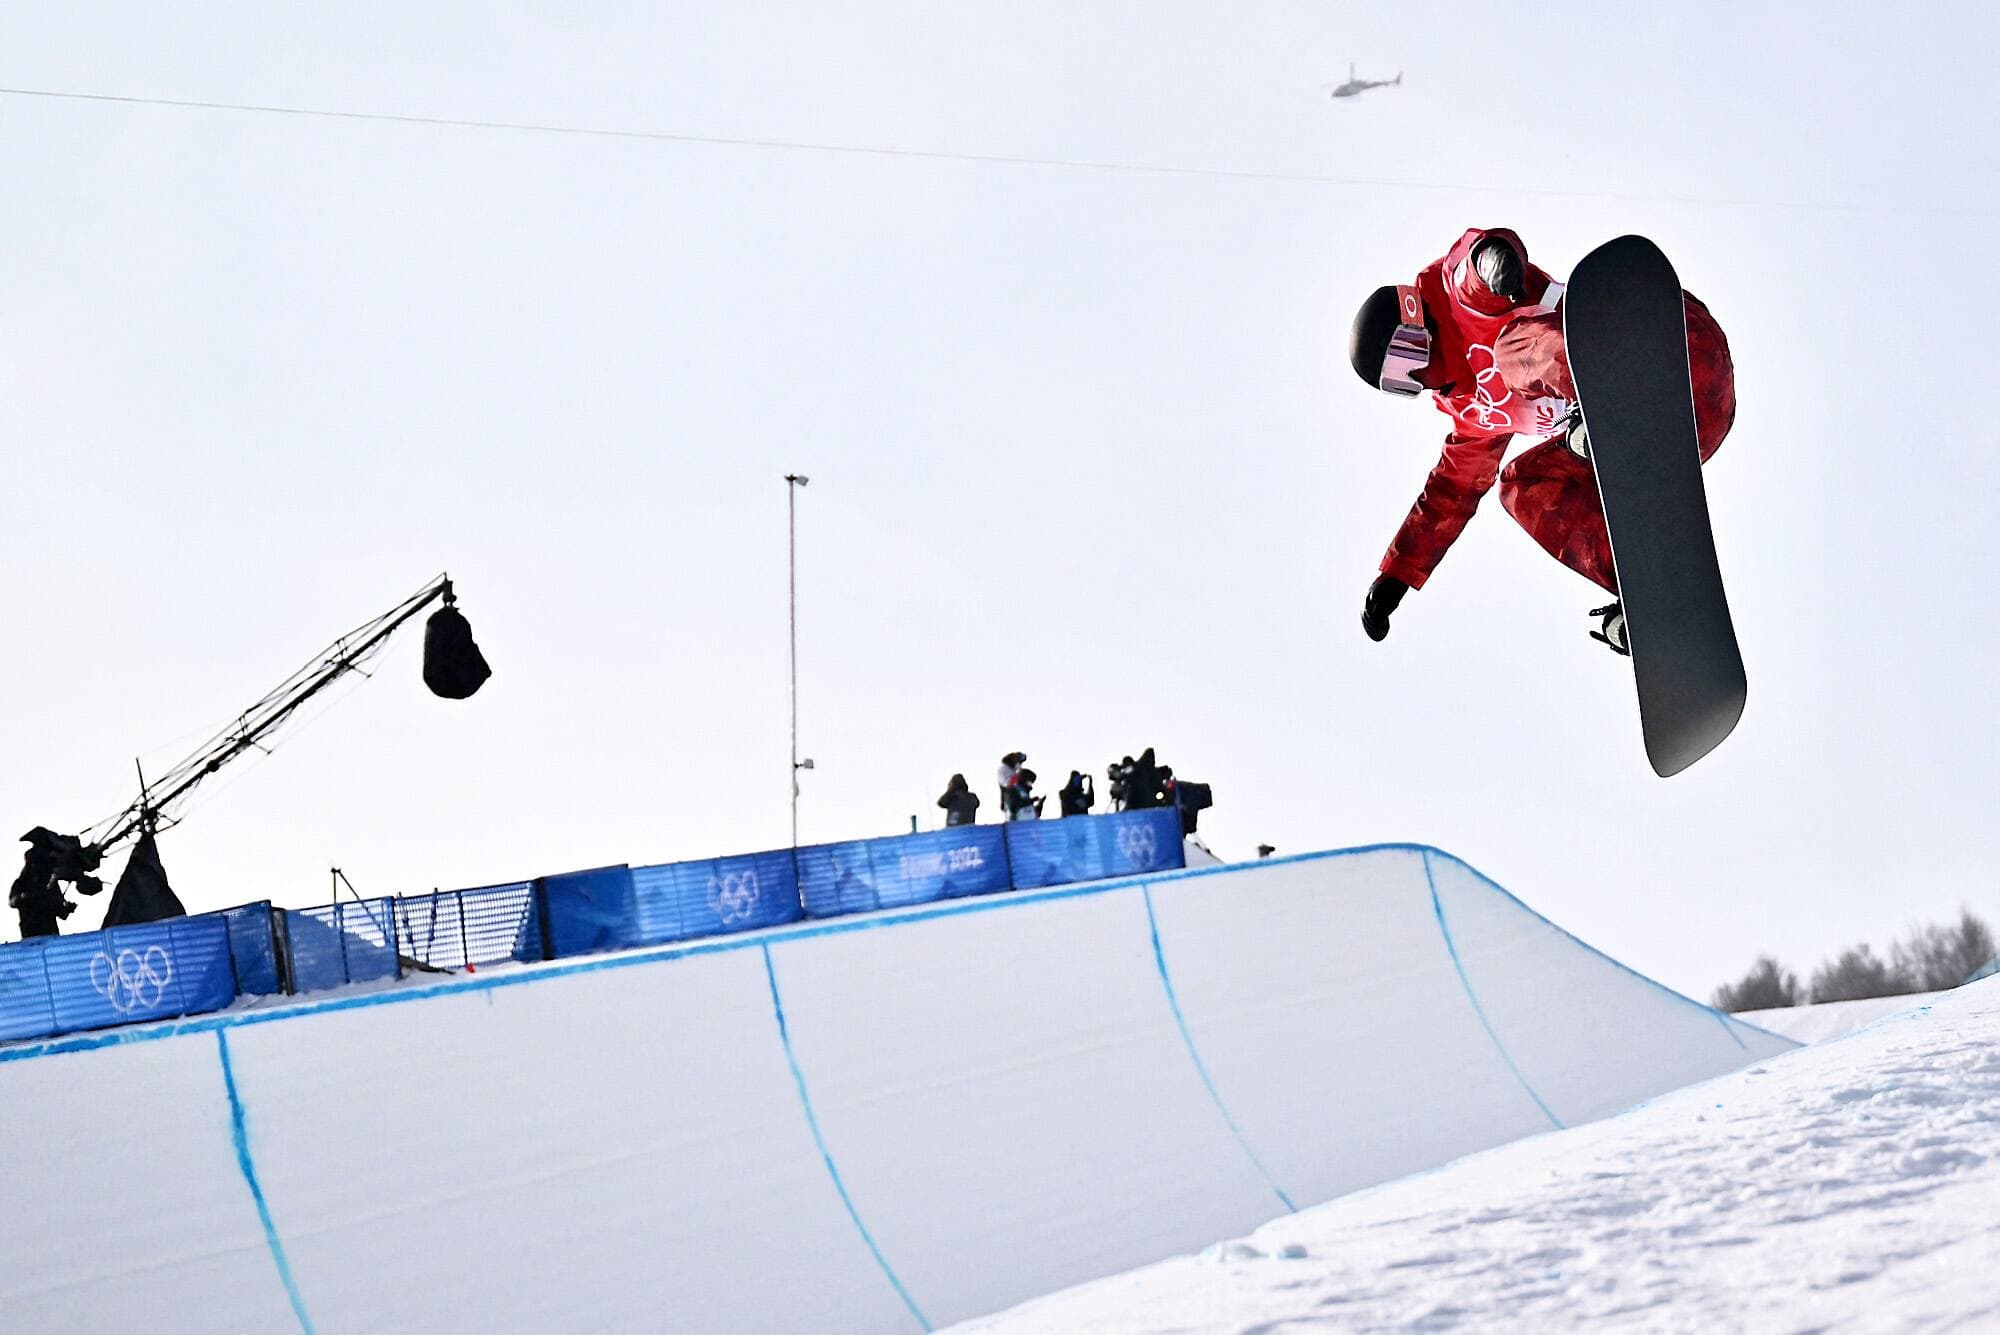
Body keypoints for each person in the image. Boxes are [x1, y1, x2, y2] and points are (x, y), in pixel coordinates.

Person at [1348, 227, 1736, 654]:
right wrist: (1397, 575)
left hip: (1668, 342)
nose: (1418, 375)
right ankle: (1650, 592)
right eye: (1401, 381)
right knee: (1522, 487)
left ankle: (1601, 400)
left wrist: (1495, 265)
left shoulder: (1458, 298)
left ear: (1416, 315)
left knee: (1509, 352)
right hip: (1697, 422)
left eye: (1409, 352)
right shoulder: (1473, 415)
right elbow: (1449, 493)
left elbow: (1476, 264)